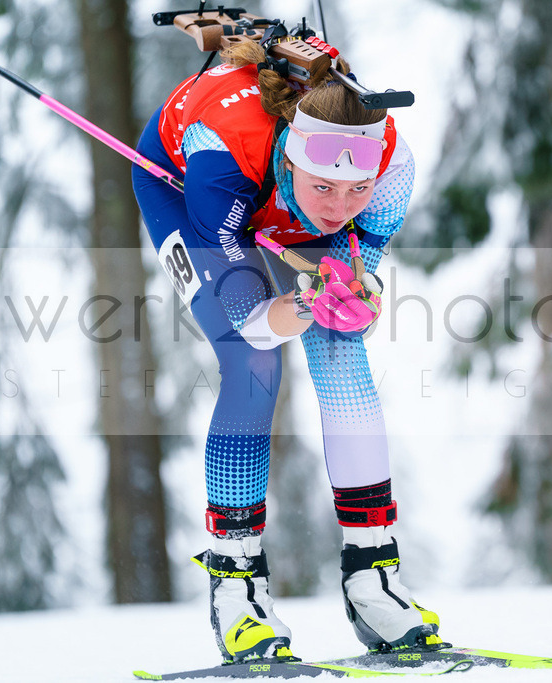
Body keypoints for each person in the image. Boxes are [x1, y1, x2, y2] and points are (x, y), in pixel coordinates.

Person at [131, 39, 442, 662]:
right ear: (292, 160)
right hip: (188, 186)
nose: (340, 208)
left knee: (341, 346)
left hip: (276, 195)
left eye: (356, 190)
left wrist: (359, 288)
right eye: (325, 187)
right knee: (254, 367)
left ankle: (372, 575)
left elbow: (364, 251)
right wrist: (300, 305)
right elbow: (247, 321)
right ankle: (236, 584)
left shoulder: (390, 165)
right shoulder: (222, 163)